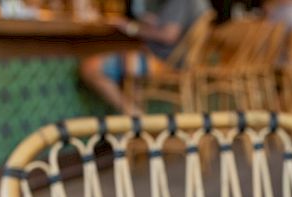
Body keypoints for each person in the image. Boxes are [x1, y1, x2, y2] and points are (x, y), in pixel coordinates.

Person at [80, 0, 209, 114]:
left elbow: (168, 35)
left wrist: (131, 27)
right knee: (130, 61)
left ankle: (135, 117)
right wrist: (151, 22)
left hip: (163, 62)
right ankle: (134, 122)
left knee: (90, 67)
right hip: (176, 62)